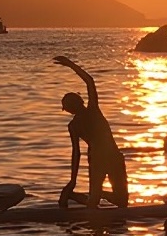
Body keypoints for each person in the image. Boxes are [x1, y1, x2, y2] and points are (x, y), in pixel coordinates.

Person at [55, 56, 128, 209]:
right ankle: (88, 196)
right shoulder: (74, 125)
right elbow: (76, 153)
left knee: (120, 202)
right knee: (96, 204)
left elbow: (89, 81)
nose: (68, 110)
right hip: (97, 160)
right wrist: (72, 180)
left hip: (112, 157)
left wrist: (70, 65)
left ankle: (88, 195)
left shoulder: (92, 111)